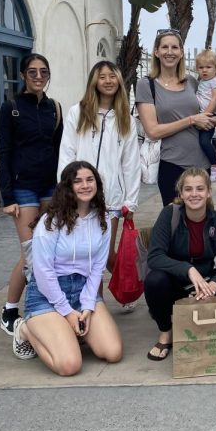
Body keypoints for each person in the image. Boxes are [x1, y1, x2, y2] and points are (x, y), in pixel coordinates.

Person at [11, 161, 123, 375]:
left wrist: (88, 307)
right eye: (78, 181)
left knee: (113, 352)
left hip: (82, 291)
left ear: (97, 184)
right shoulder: (50, 221)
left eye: (90, 180)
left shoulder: (104, 219)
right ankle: (25, 329)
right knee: (70, 365)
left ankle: (64, 331)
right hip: (47, 294)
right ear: (67, 187)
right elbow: (42, 273)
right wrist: (68, 312)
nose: (85, 185)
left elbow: (97, 269)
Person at [0, 53, 62, 336]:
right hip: (23, 189)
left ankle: (47, 306)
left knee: (49, 250)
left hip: (50, 187)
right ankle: (11, 309)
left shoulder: (55, 109)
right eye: (32, 72)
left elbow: (61, 152)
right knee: (31, 252)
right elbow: (4, 152)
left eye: (43, 72)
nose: (38, 77)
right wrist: (7, 196)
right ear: (23, 75)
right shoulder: (10, 107)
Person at [143, 167, 216, 361]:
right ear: (181, 193)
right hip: (173, 282)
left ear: (209, 192)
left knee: (202, 333)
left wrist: (212, 285)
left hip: (205, 284)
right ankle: (165, 331)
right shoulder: (170, 215)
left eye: (200, 189)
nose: (194, 194)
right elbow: (155, 257)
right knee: (154, 280)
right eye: (188, 189)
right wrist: (188, 269)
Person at [59, 60, 140, 275]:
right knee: (83, 251)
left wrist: (130, 200)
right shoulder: (78, 112)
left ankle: (125, 289)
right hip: (80, 192)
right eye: (102, 76)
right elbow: (67, 151)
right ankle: (95, 299)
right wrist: (65, 187)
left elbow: (131, 162)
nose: (108, 81)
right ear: (94, 81)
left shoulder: (127, 120)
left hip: (110, 196)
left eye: (112, 76)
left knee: (104, 252)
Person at [136, 29, 216, 206]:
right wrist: (191, 120)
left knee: (201, 221)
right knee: (175, 221)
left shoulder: (191, 81)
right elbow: (152, 131)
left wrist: (214, 119)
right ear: (156, 52)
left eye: (175, 47)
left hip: (201, 164)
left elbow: (208, 109)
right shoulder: (146, 85)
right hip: (171, 163)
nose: (170, 52)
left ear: (181, 53)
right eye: (164, 47)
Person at [194, 49, 216, 182]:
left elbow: (215, 99)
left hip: (209, 116)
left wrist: (206, 115)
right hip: (200, 116)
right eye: (201, 67)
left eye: (208, 67)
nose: (204, 70)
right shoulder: (201, 82)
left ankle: (215, 165)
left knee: (204, 141)